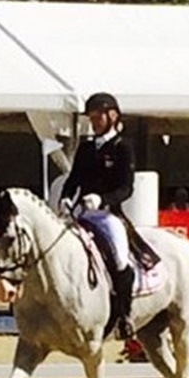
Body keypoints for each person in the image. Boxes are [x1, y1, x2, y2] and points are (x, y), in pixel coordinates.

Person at [61, 91, 137, 340]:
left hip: (107, 215)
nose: (94, 122)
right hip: (82, 213)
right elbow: (74, 179)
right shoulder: (86, 148)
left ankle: (124, 315)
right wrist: (66, 197)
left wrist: (102, 199)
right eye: (91, 118)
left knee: (120, 259)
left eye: (98, 117)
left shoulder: (123, 147)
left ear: (112, 116)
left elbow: (126, 188)